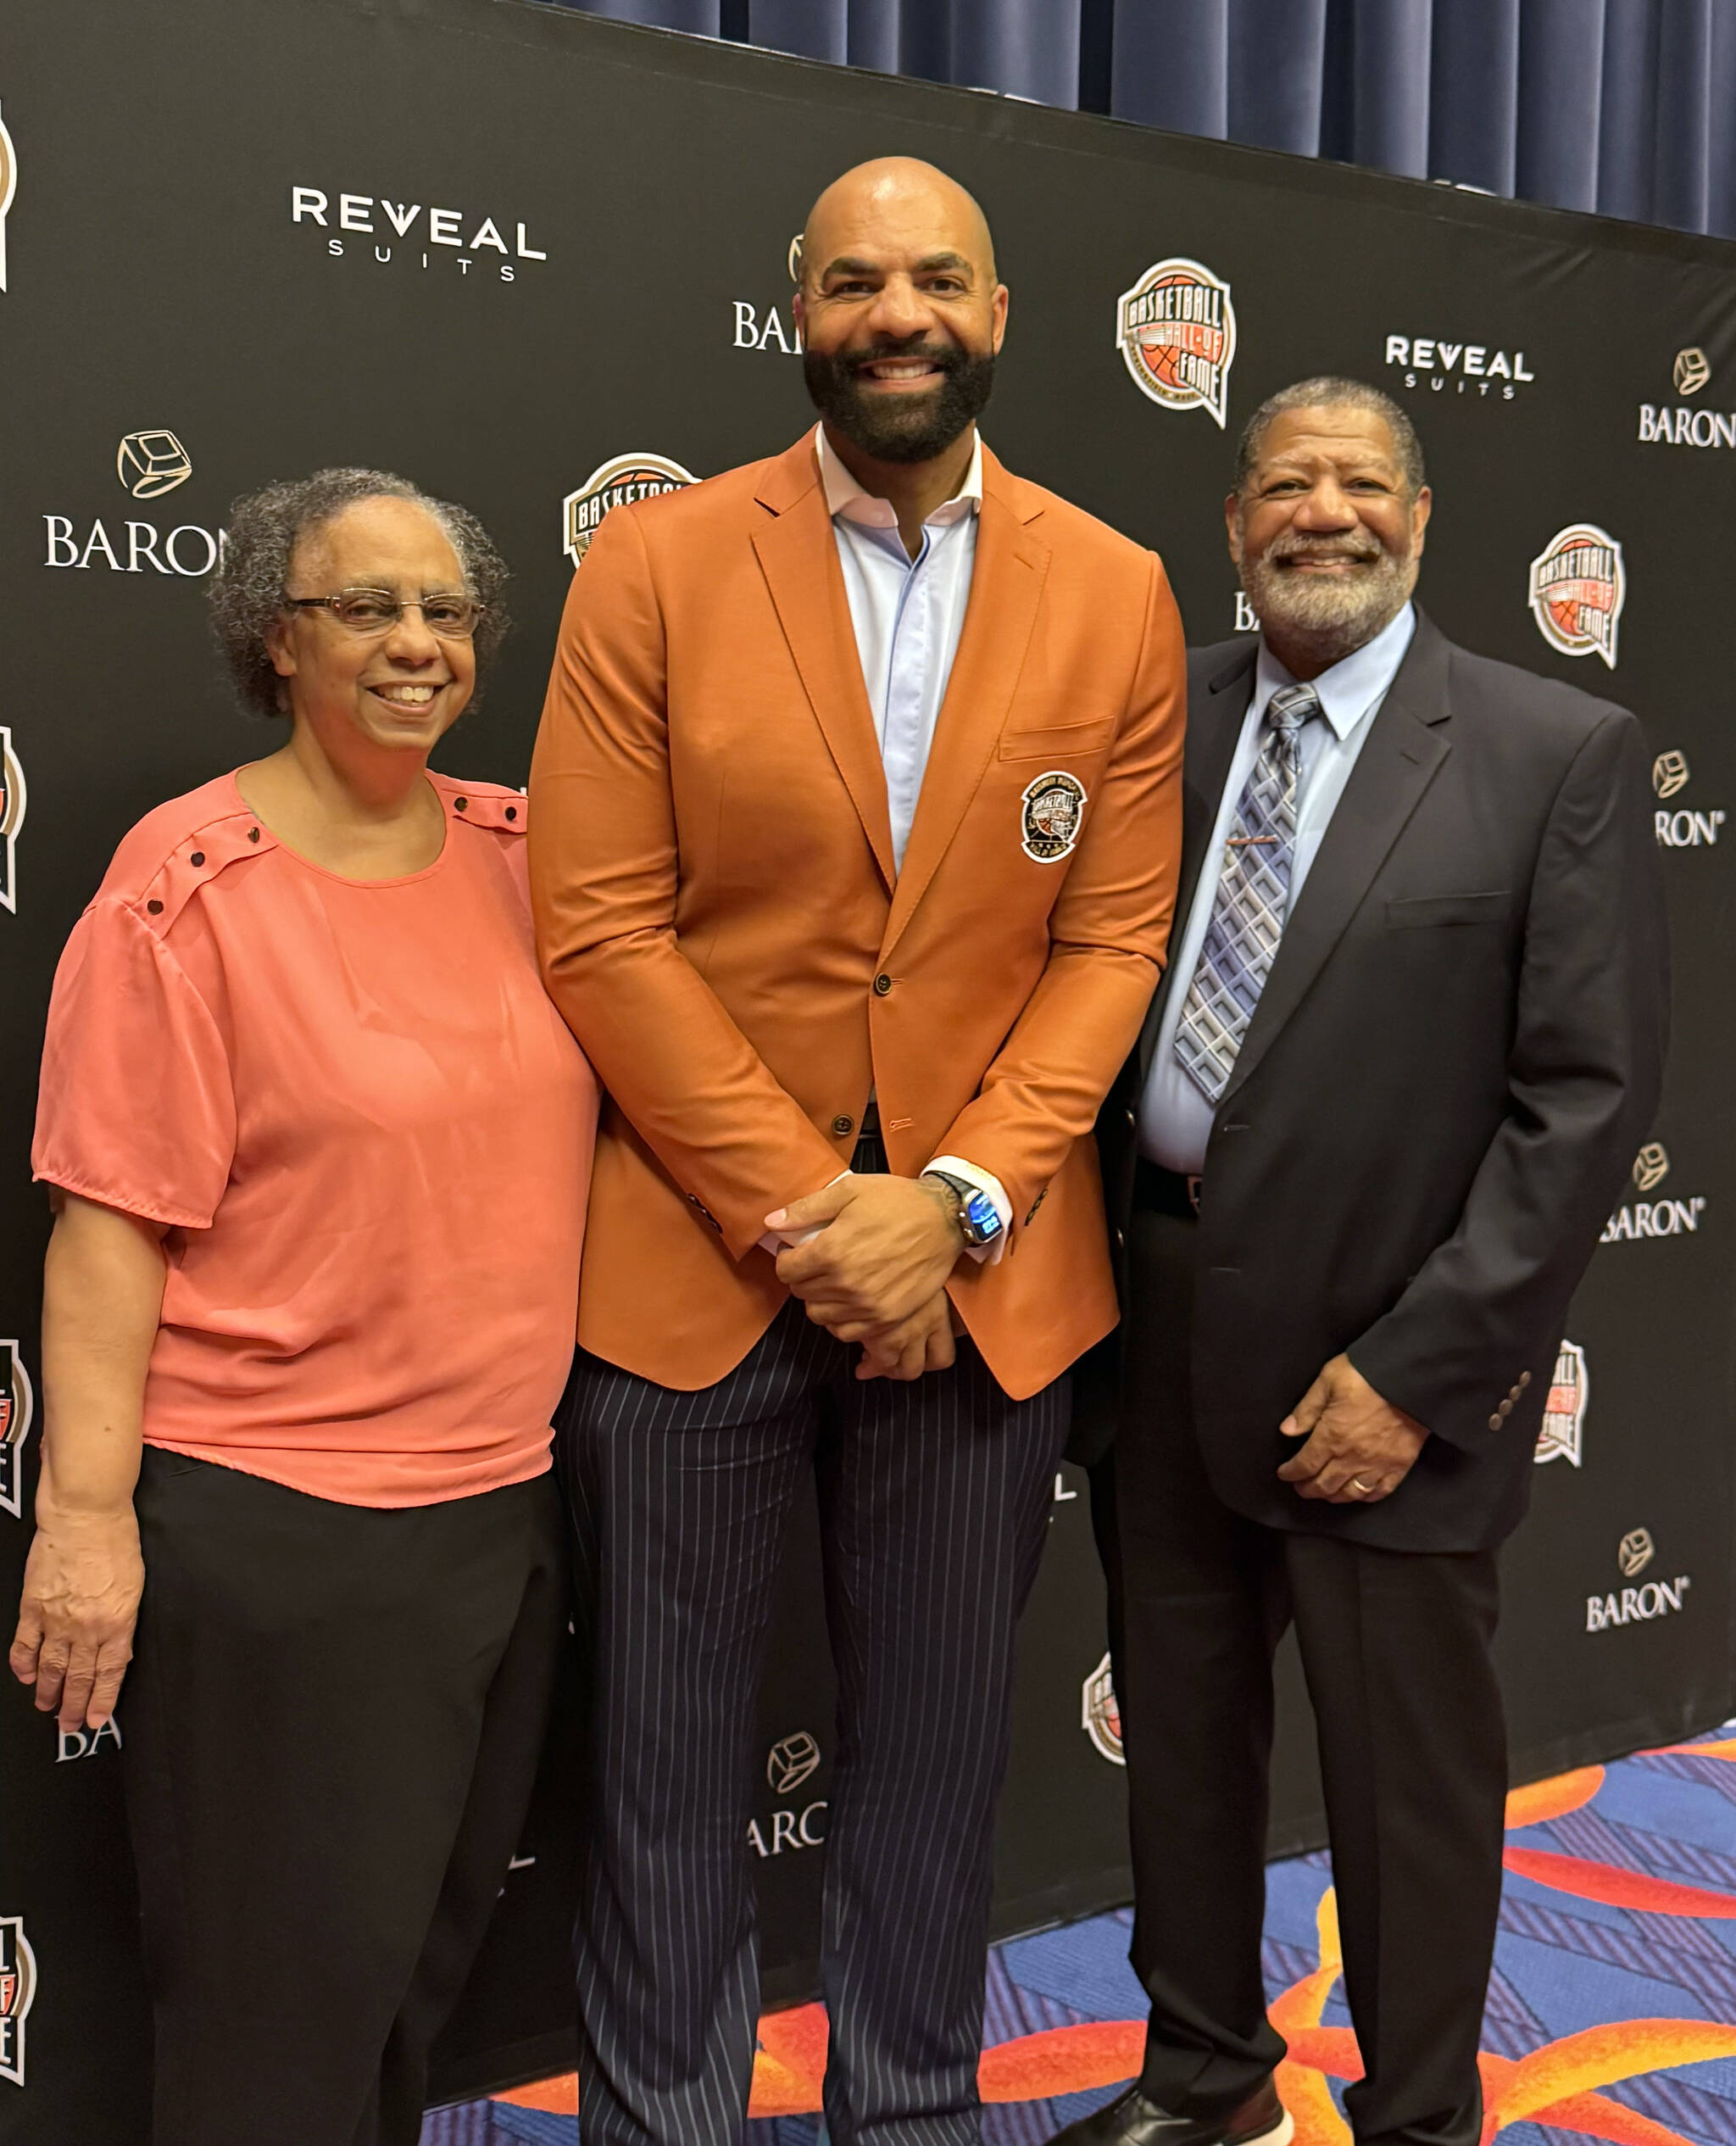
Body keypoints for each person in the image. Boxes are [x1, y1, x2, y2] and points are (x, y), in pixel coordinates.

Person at [529, 157, 1186, 2145]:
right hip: (694, 1269)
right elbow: (601, 928)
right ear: (794, 314)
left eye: (933, 278)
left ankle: (904, 2110)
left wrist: (958, 1205)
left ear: (998, 311)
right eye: (850, 281)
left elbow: (1112, 941)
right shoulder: (652, 564)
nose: (893, 312)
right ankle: (668, 2121)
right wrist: (823, 1221)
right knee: (660, 1766)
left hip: (985, 1288)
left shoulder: (1120, 583)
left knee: (934, 1759)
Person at [1063, 379, 1667, 2146]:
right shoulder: (1155, 717)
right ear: (1232, 517)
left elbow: (1582, 1101)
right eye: (1283, 482)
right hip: (1155, 1318)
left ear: (1419, 512)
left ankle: (1416, 2120)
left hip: (1387, 1360)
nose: (1319, 512)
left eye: (1357, 482)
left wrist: (1417, 1376)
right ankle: (1204, 2080)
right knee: (1179, 1736)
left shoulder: (1551, 750)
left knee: (1405, 1787)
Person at [9, 469, 598, 2146]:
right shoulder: (186, 883)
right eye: (366, 609)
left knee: (414, 1987)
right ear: (276, 642)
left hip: (502, 1514)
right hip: (281, 1535)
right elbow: (107, 1228)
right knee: (279, 2025)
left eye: (445, 611)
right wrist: (84, 1522)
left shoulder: (529, 853)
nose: (415, 643)